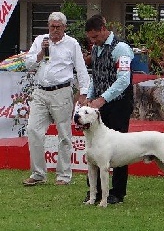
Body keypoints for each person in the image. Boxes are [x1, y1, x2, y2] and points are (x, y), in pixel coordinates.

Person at [22, 12, 90, 186]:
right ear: (48, 26)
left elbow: (81, 69)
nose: (54, 30)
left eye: (58, 27)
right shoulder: (40, 40)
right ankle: (38, 173)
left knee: (64, 135)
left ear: (64, 27)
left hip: (62, 91)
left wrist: (83, 93)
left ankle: (64, 175)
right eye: (52, 26)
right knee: (33, 130)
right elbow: (28, 64)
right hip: (40, 92)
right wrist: (41, 52)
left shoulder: (72, 43)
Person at [83, 14, 134, 205]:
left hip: (119, 104)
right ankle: (93, 191)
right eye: (91, 38)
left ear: (104, 29)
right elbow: (96, 77)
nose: (93, 41)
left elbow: (123, 80)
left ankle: (118, 192)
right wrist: (90, 96)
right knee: (94, 146)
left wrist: (102, 99)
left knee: (120, 147)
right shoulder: (96, 49)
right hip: (98, 105)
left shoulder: (121, 48)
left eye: (95, 37)